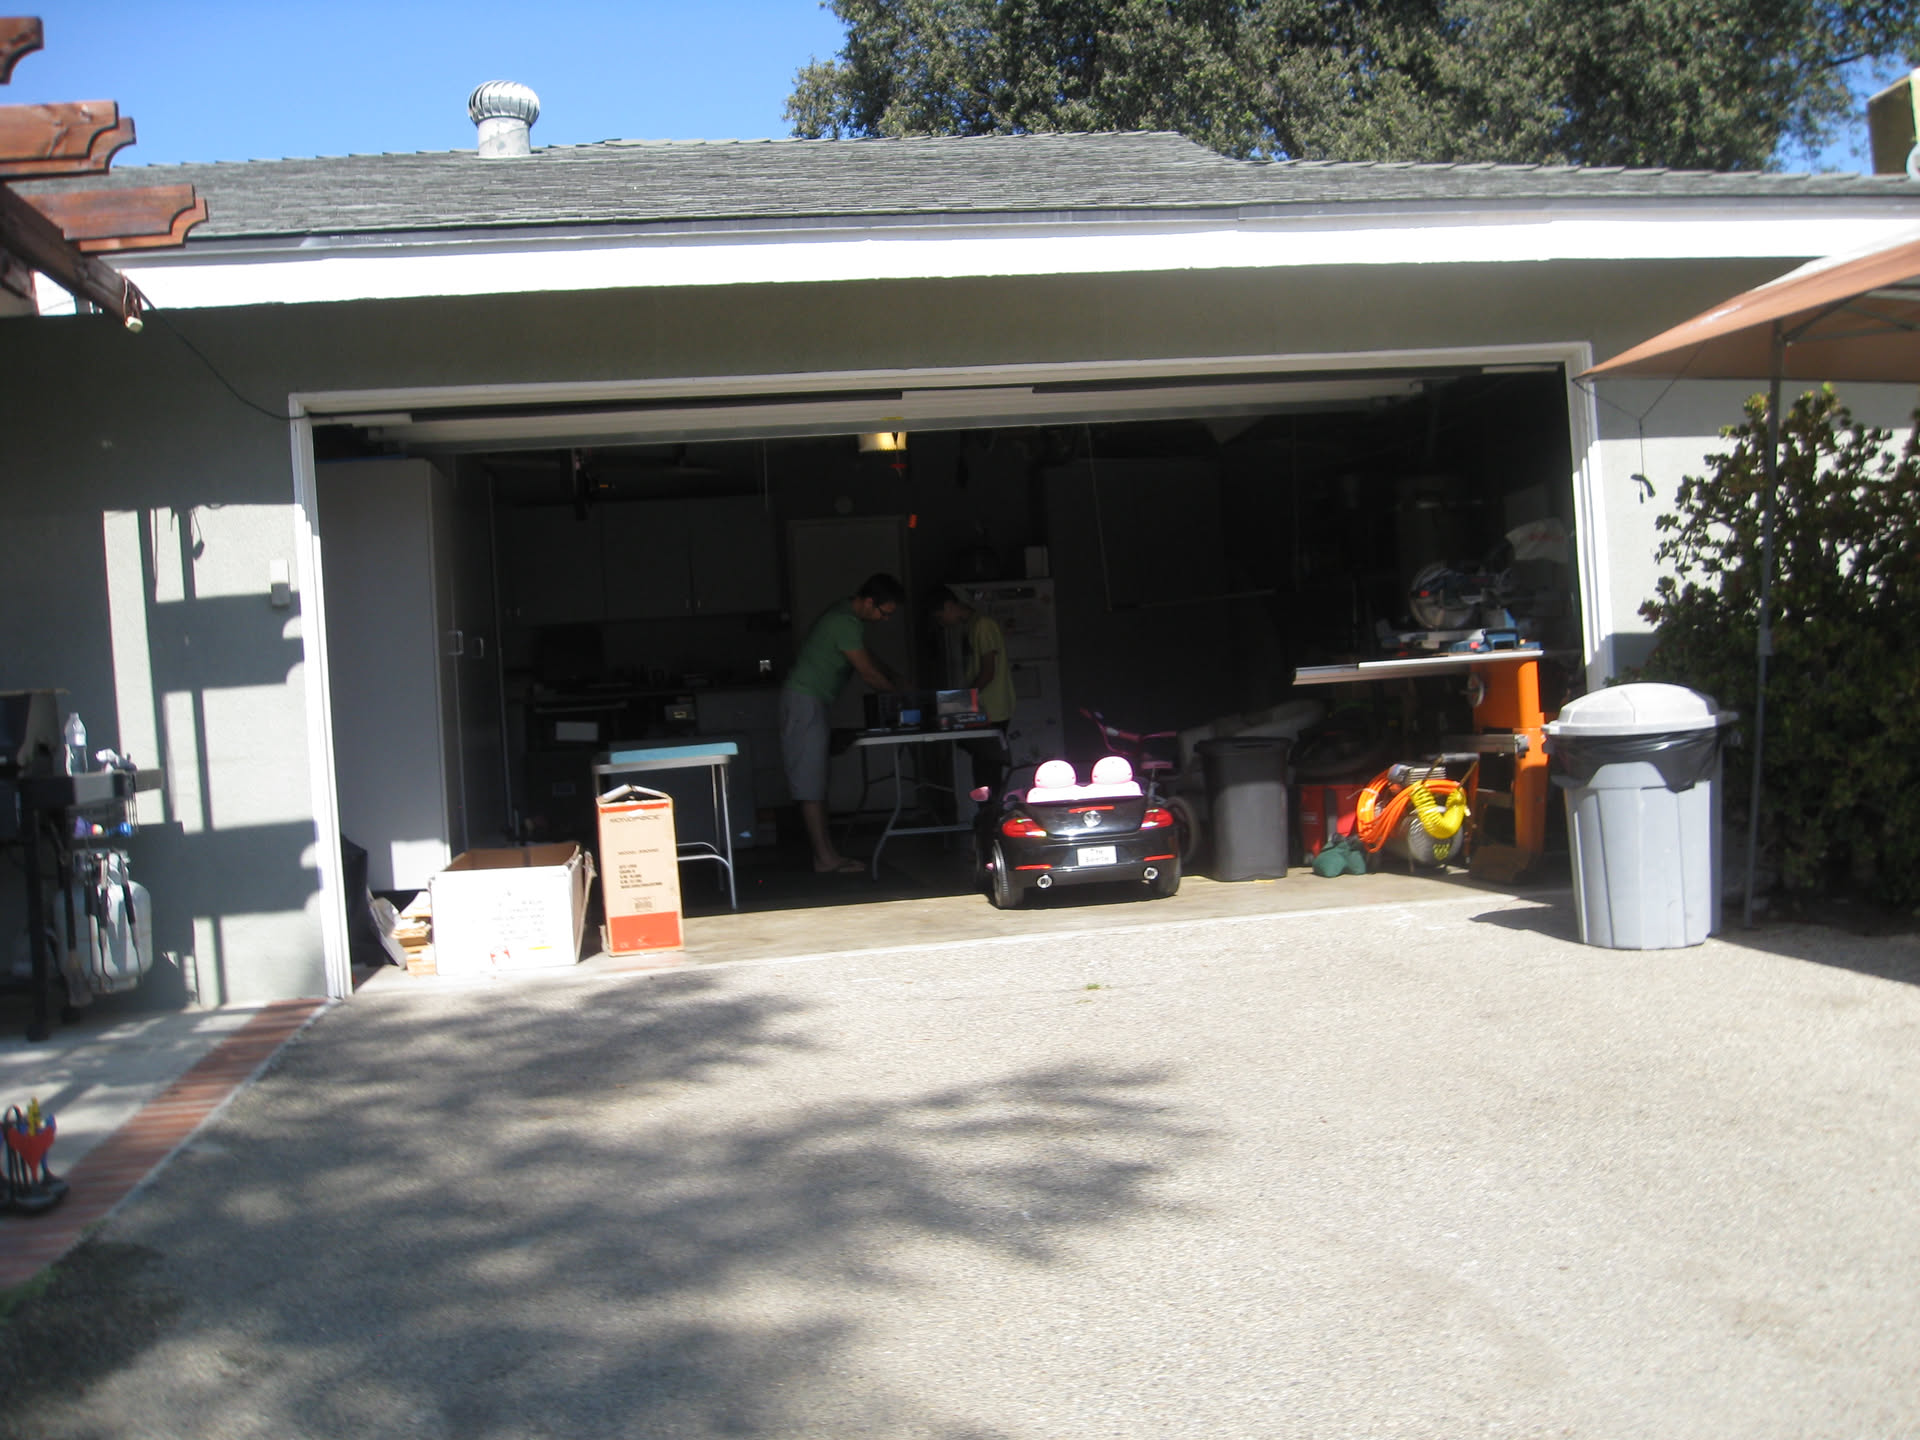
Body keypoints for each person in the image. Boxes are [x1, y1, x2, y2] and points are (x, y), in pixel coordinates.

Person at [781, 573, 905, 873]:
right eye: (884, 613)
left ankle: (827, 854)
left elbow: (867, 656)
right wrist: (901, 696)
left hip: (813, 701)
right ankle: (825, 858)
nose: (885, 620)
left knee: (817, 780)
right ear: (869, 602)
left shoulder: (847, 614)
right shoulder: (844, 622)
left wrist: (893, 677)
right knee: (810, 783)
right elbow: (868, 672)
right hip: (804, 702)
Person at [928, 584, 1014, 798]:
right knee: (984, 768)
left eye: (940, 617)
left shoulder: (982, 626)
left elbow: (988, 672)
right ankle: (988, 811)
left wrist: (960, 703)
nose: (942, 623)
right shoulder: (974, 625)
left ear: (949, 606)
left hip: (991, 709)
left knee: (987, 771)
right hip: (985, 707)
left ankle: (990, 813)